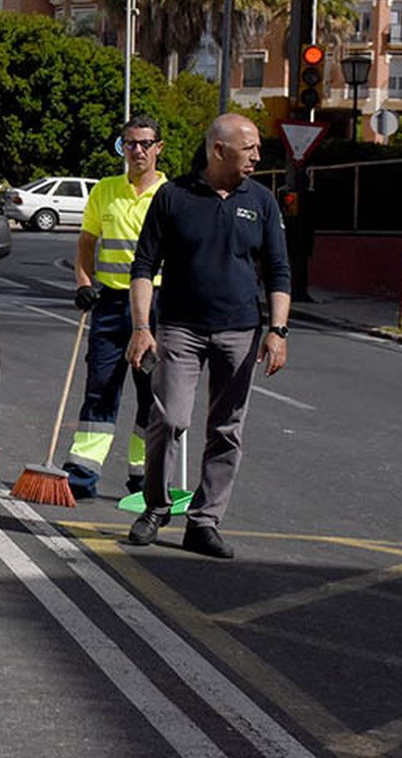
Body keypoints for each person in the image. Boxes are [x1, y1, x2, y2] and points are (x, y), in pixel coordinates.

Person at [125, 114, 290, 559]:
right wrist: (142, 328)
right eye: (249, 147)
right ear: (219, 149)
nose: (257, 155)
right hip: (179, 327)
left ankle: (204, 521)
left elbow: (278, 271)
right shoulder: (173, 196)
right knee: (170, 419)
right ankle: (156, 508)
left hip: (241, 330)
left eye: (258, 148)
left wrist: (277, 330)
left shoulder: (261, 201)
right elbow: (143, 266)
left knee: (227, 429)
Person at [63, 116, 167, 499]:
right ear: (121, 148)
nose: (136, 150)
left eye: (144, 143)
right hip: (109, 304)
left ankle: (144, 478)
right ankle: (81, 474)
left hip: (156, 307)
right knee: (100, 389)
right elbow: (87, 244)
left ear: (159, 148)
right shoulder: (105, 191)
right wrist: (84, 285)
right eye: (129, 144)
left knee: (152, 395)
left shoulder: (171, 195)